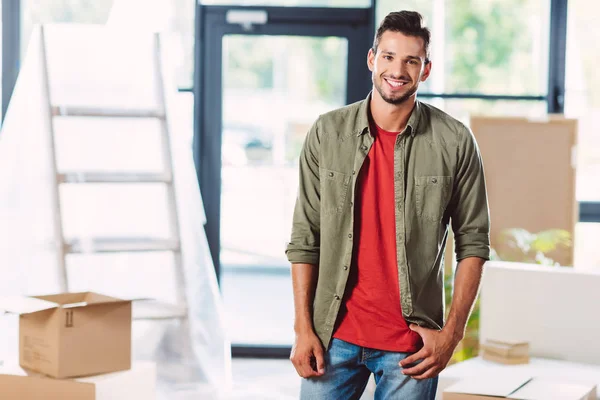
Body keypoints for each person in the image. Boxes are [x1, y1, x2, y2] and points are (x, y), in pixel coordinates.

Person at [285, 9, 490, 400]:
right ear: (372, 59)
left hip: (411, 347)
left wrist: (452, 335)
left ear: (425, 69)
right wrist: (303, 328)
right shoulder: (327, 133)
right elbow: (304, 237)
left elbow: (474, 243)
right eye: (389, 57)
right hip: (333, 338)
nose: (398, 70)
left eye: (411, 60)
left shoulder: (454, 142)